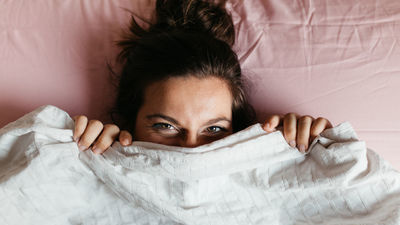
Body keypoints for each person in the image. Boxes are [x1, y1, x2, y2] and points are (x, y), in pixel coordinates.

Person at [72, 0, 332, 154]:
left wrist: (312, 148)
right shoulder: (98, 157)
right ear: (132, 120)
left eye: (214, 129)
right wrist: (80, 150)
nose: (191, 148)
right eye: (165, 126)